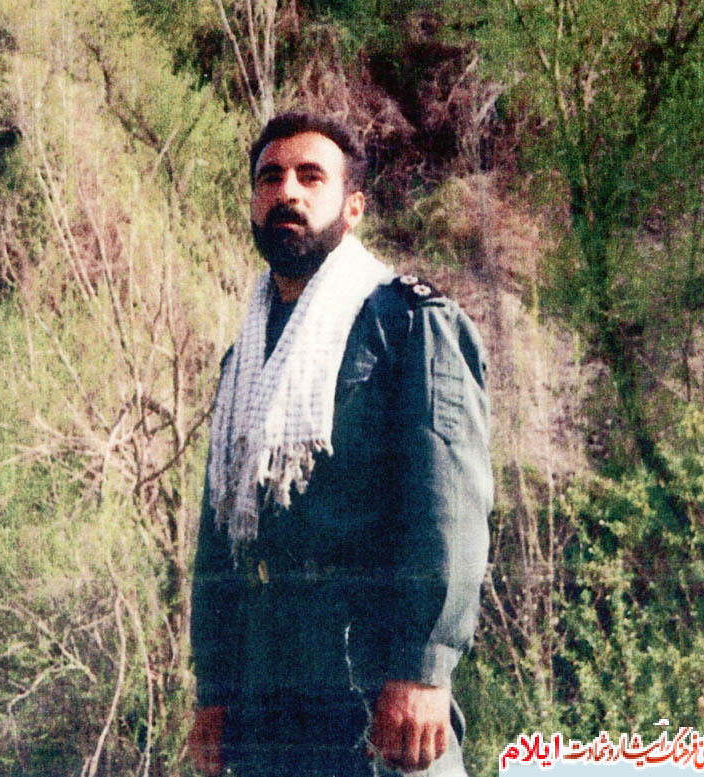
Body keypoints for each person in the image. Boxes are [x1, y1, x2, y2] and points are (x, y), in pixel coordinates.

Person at [188, 111, 493, 777]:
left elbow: (449, 507)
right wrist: (213, 690)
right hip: (266, 695)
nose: (287, 191)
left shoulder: (408, 324)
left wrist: (424, 667)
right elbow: (220, 539)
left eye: (310, 176)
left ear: (352, 207)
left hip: (374, 681)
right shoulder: (245, 363)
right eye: (270, 177)